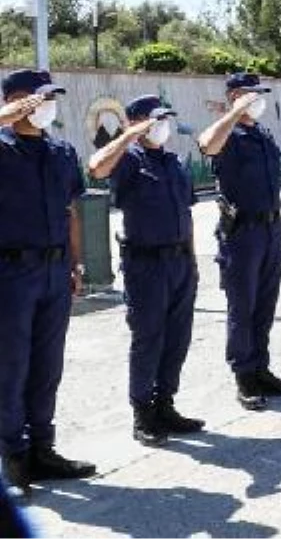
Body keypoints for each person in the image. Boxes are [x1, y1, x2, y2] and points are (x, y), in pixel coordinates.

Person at [88, 95, 205, 447]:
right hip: (146, 265)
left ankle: (165, 404)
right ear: (137, 122)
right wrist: (127, 135)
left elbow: (187, 213)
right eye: (155, 119)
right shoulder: (127, 160)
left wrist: (193, 262)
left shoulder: (172, 161)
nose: (163, 126)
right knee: (148, 340)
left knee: (177, 339)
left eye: (165, 118)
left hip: (181, 262)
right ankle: (143, 413)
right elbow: (97, 167)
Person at [0, 69, 96, 495]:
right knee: (11, 366)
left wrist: (76, 265)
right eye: (41, 98)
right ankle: (13, 458)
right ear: (18, 100)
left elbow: (70, 211)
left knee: (47, 366)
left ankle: (43, 449)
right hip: (11, 273)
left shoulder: (60, 151)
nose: (48, 106)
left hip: (55, 272)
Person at [198, 72, 281, 410]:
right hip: (242, 234)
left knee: (265, 304)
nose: (257, 101)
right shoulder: (229, 134)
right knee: (242, 307)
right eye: (250, 95)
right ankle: (244, 375)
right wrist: (231, 113)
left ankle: (261, 367)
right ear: (235, 97)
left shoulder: (262, 134)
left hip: (270, 230)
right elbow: (206, 144)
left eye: (258, 95)